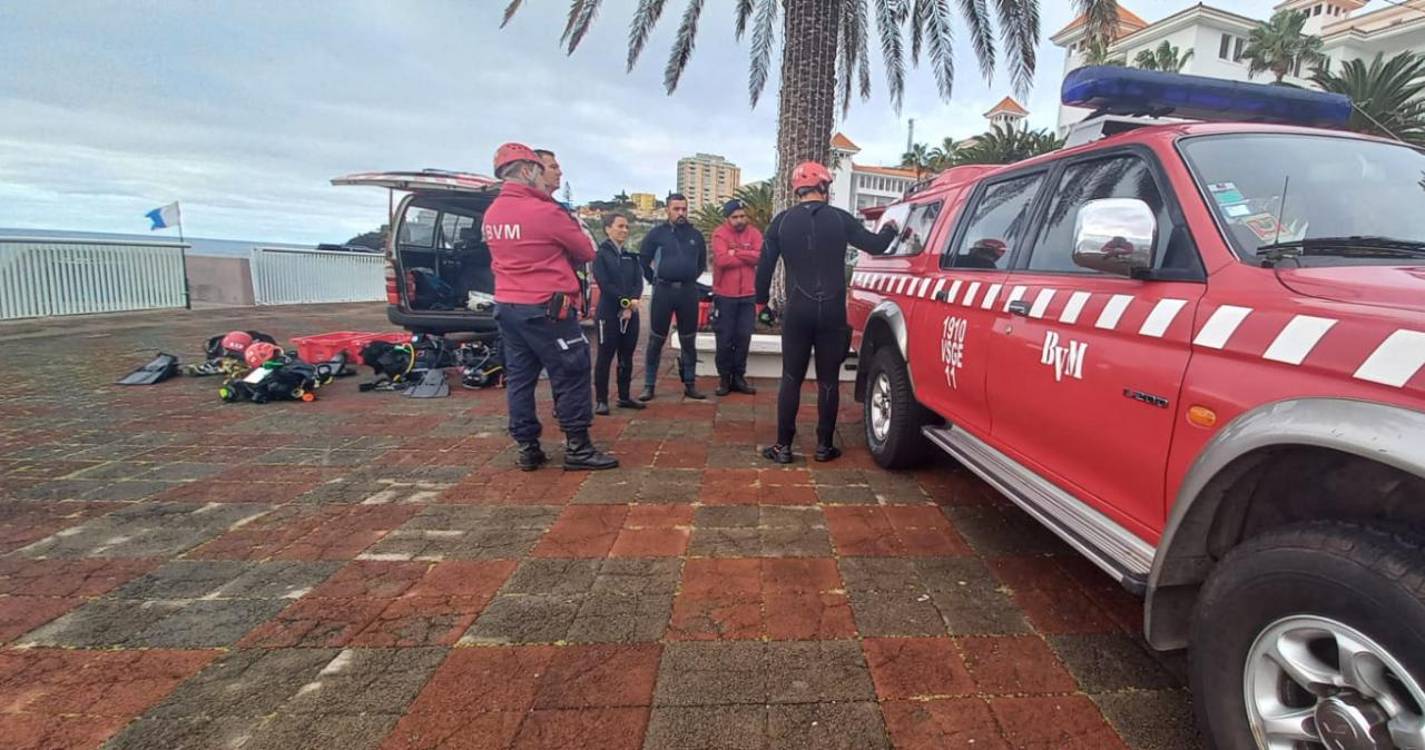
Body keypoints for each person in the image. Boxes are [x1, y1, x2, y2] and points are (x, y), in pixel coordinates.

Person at [483, 142, 617, 472]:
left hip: (508, 306)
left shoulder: (492, 214)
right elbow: (586, 251)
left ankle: (527, 447)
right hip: (547, 308)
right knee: (571, 373)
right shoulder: (544, 212)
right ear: (529, 170)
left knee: (519, 378)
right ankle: (578, 447)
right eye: (542, 170)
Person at [755, 161, 898, 464]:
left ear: (798, 189)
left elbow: (765, 266)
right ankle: (823, 446)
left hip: (797, 309)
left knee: (791, 378)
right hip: (832, 310)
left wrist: (760, 304)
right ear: (822, 186)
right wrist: (891, 226)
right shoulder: (840, 219)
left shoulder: (781, 222)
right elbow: (877, 246)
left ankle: (783, 447)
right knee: (828, 380)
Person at [638, 193, 707, 401]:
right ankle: (649, 385)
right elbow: (643, 261)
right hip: (663, 292)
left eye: (684, 209)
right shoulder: (656, 234)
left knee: (688, 340)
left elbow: (701, 264)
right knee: (656, 339)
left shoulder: (696, 235)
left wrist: (686, 278)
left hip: (687, 292)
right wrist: (656, 280)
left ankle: (690, 384)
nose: (681, 213)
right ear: (668, 210)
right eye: (676, 209)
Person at [591, 211, 646, 415]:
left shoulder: (630, 256)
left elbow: (638, 282)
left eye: (626, 227)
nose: (624, 230)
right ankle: (602, 400)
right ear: (608, 229)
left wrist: (632, 302)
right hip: (609, 313)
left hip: (630, 313)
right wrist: (624, 302)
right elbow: (605, 284)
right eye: (620, 226)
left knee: (627, 356)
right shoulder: (601, 255)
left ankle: (624, 396)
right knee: (605, 356)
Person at [710, 199, 761, 396]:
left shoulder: (754, 233)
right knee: (724, 339)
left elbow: (759, 256)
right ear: (727, 218)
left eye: (742, 216)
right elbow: (722, 260)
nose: (740, 220)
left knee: (743, 338)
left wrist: (736, 251)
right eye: (735, 217)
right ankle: (724, 378)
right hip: (725, 295)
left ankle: (739, 377)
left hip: (748, 295)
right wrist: (747, 254)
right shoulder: (719, 233)